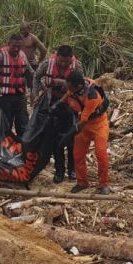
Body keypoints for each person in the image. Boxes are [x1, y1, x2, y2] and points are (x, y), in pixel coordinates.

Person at [33, 45, 83, 183]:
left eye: (66, 62)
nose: (63, 64)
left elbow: (81, 84)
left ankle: (72, 170)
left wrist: (62, 82)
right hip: (53, 105)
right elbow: (36, 77)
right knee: (56, 140)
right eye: (61, 61)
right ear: (57, 56)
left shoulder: (76, 66)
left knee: (72, 140)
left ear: (70, 58)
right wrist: (35, 95)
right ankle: (59, 171)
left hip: (71, 107)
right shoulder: (47, 63)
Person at [65, 71, 111, 194]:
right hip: (84, 124)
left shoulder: (92, 96)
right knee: (78, 154)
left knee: (101, 154)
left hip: (98, 124)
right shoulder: (76, 86)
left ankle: (104, 183)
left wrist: (69, 134)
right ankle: (82, 182)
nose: (68, 89)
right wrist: (57, 106)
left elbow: (83, 122)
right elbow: (67, 96)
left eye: (70, 87)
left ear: (78, 87)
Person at [0, 33, 34, 136]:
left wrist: (34, 89)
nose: (16, 49)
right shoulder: (0, 56)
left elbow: (29, 72)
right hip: (5, 97)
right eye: (14, 46)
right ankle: (5, 149)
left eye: (19, 46)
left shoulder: (23, 55)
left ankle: (22, 148)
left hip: (20, 96)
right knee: (5, 126)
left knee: (23, 124)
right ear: (8, 44)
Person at [19, 21, 47, 89]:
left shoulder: (33, 38)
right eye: (21, 30)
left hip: (31, 65)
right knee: (20, 84)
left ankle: (36, 96)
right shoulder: (18, 38)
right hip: (19, 65)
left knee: (32, 85)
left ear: (29, 29)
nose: (22, 31)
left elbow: (43, 50)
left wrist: (38, 61)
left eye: (24, 29)